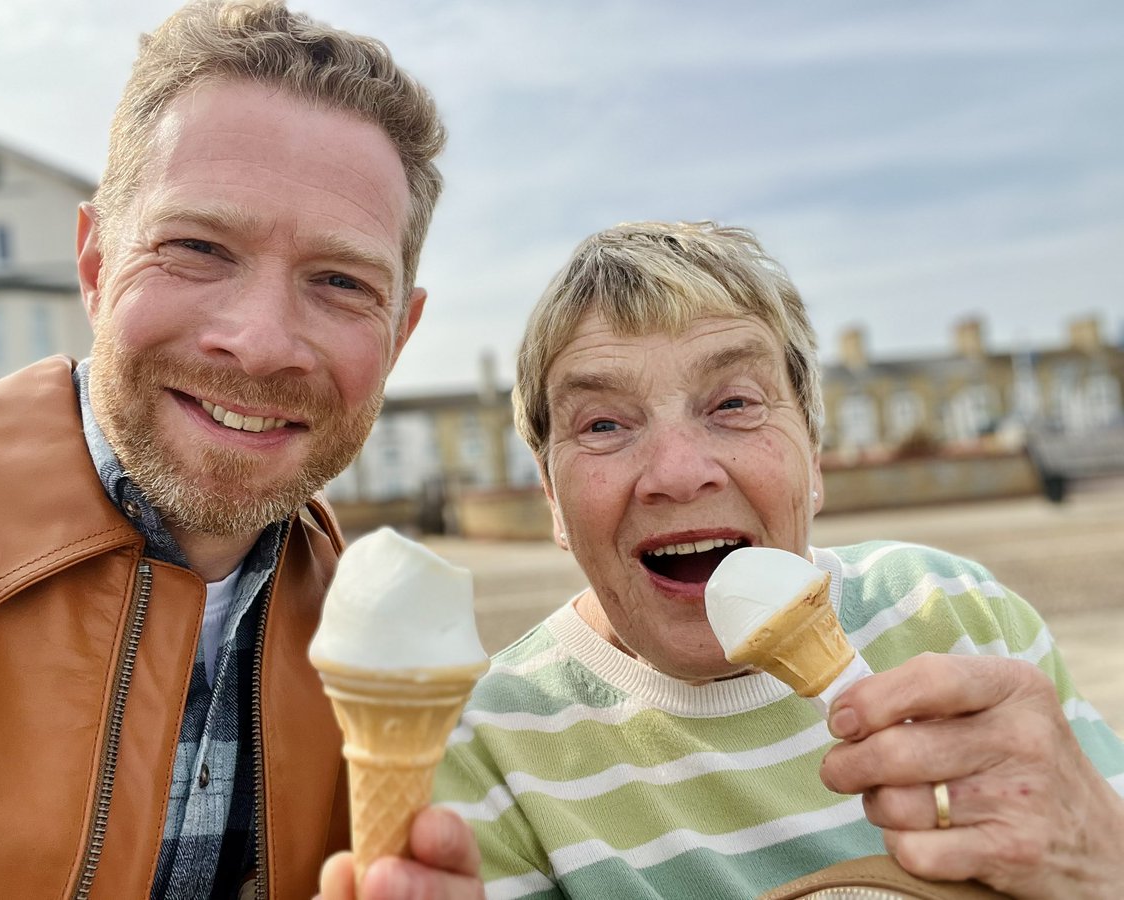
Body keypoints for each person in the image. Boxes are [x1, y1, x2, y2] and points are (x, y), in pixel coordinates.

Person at [0, 2, 482, 897]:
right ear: (97, 263)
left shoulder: (380, 626)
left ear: (400, 334)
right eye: (197, 247)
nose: (260, 342)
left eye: (340, 282)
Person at [434, 220, 1124, 899]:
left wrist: (1100, 863)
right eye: (604, 424)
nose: (678, 473)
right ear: (552, 494)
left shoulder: (960, 613)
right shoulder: (488, 747)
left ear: (813, 456)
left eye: (734, 403)